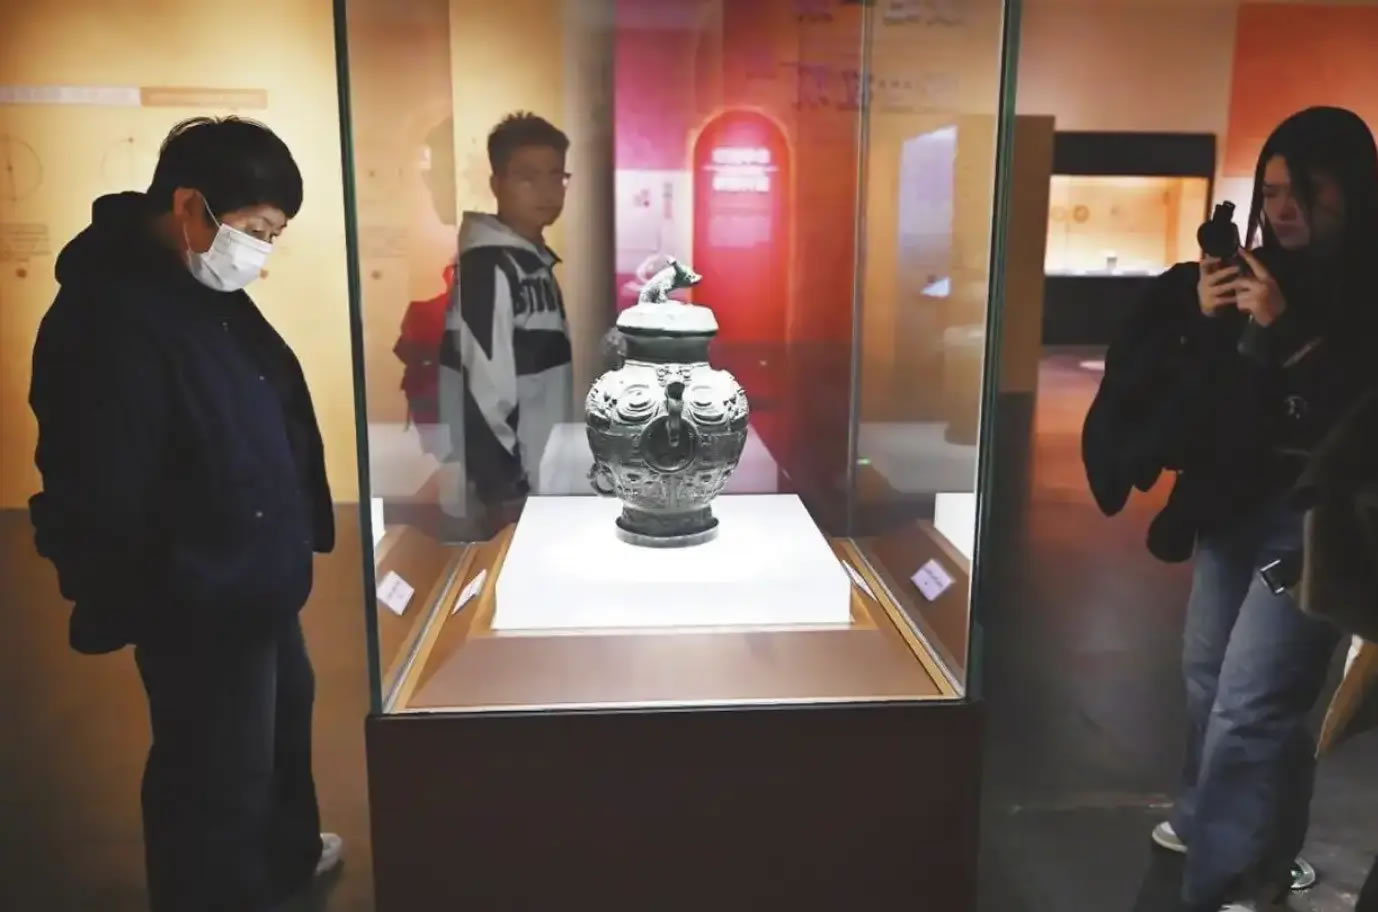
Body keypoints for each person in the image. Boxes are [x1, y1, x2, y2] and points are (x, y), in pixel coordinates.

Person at [28, 117, 342, 912]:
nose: (260, 255)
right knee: (213, 767)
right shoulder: (108, 314)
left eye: (273, 237)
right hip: (198, 585)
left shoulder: (198, 287)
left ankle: (285, 860)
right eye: (255, 231)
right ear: (189, 206)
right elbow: (99, 480)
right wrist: (153, 586)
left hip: (253, 565)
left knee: (282, 721)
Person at [1083, 106, 1378, 912]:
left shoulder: (1362, 290)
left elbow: (1352, 414)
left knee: (1256, 702)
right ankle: (1224, 832)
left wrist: (1289, 333)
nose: (1284, 210)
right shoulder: (1256, 271)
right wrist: (1210, 322)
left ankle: (1231, 878)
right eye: (1272, 191)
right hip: (1233, 500)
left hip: (1317, 519)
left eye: (1305, 192)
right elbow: (1210, 401)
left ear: (1350, 191)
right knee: (1208, 678)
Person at [440, 111, 573, 524]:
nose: (546, 190)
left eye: (556, 175)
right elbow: (482, 385)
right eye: (527, 177)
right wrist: (503, 490)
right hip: (511, 492)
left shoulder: (530, 263)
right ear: (497, 184)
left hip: (539, 481)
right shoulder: (490, 267)